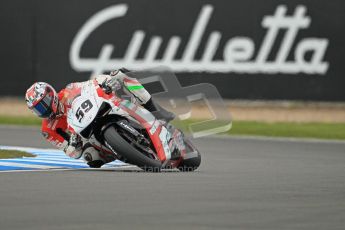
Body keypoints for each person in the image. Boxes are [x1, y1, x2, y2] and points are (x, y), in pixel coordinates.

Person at [25, 68, 175, 168]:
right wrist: (72, 143)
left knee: (120, 73)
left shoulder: (68, 90)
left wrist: (105, 82)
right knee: (90, 158)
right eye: (38, 109)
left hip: (101, 107)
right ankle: (126, 151)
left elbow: (91, 83)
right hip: (86, 136)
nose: (43, 109)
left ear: (51, 95)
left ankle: (154, 109)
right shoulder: (48, 130)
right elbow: (71, 153)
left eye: (43, 103)